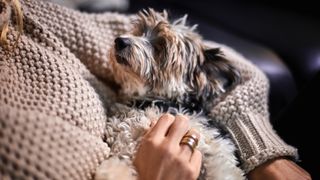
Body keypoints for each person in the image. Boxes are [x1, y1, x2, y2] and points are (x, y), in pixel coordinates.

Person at [0, 0, 311, 179]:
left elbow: (240, 71)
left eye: (159, 48)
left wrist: (266, 157)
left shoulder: (24, 15)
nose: (126, 40)